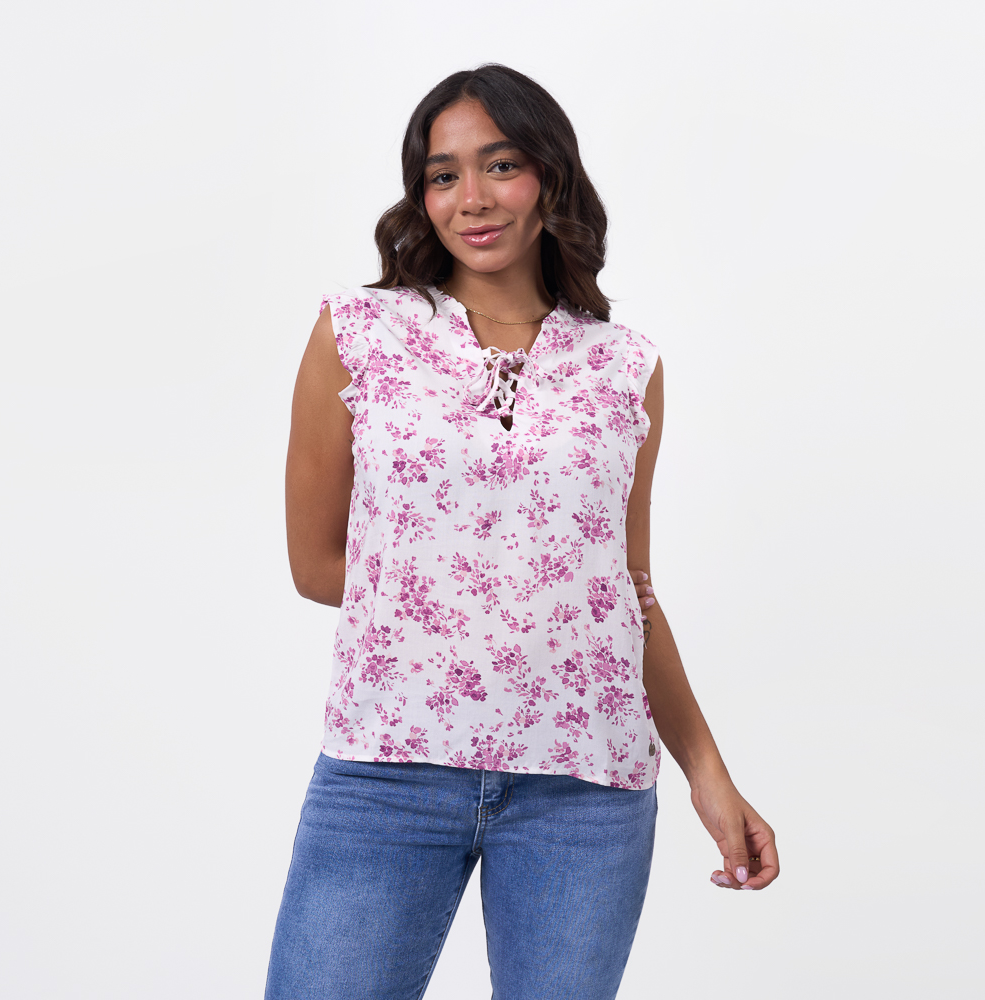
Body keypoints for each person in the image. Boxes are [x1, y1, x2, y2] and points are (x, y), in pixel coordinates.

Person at [265, 64, 779, 1000]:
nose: (472, 197)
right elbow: (316, 565)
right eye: (443, 174)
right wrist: (499, 609)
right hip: (387, 773)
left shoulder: (626, 367)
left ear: (550, 175)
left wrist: (708, 775)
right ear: (422, 197)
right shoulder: (358, 333)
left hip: (586, 793)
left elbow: (626, 593)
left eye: (500, 165)